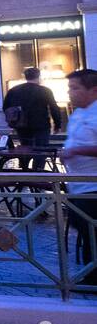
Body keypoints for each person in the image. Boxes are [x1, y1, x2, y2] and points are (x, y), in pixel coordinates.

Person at [60, 69, 97, 263]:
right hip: (77, 186)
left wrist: (76, 152)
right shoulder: (77, 115)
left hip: (93, 186)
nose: (70, 92)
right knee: (84, 228)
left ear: (93, 90)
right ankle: (90, 275)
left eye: (75, 88)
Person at [3, 66, 65, 171]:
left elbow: (6, 107)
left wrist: (13, 120)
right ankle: (38, 171)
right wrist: (57, 124)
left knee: (25, 148)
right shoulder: (45, 90)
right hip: (41, 124)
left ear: (25, 76)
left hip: (21, 125)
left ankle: (25, 169)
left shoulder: (14, 90)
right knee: (41, 149)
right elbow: (54, 107)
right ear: (39, 76)